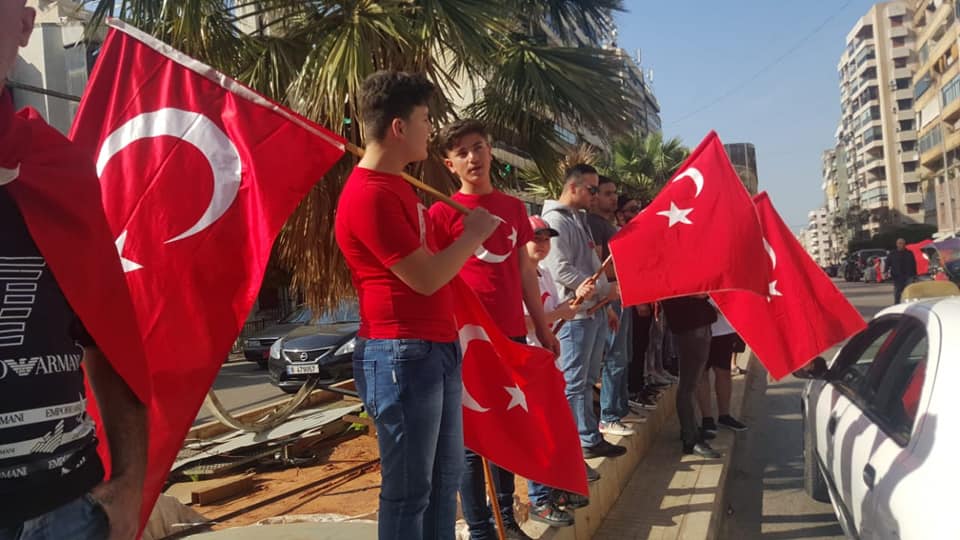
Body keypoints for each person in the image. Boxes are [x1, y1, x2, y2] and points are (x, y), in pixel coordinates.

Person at [1, 3, 149, 539]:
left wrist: (131, 482)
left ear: (23, 25)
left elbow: (108, 337)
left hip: (68, 513)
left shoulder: (58, 172)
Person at [334, 71, 500, 540]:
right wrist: (472, 237)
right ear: (399, 127)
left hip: (433, 347)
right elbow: (425, 278)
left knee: (444, 481)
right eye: (425, 119)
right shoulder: (369, 194)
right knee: (409, 493)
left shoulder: (397, 187)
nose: (430, 129)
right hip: (400, 353)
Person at [428, 119, 559, 540]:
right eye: (462, 152)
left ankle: (507, 517)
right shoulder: (441, 212)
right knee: (470, 440)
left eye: (479, 147)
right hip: (466, 342)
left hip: (509, 337)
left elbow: (524, 273)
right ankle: (481, 528)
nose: (473, 157)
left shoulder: (514, 208)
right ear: (449, 164)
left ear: (490, 151)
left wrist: (543, 329)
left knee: (509, 427)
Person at [541, 164, 626, 465]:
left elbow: (591, 262)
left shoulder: (577, 219)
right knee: (574, 382)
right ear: (573, 187)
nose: (595, 195)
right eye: (591, 189)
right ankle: (577, 442)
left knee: (588, 378)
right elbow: (560, 268)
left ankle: (587, 435)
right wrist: (601, 290)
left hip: (593, 312)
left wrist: (605, 302)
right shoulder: (555, 220)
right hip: (574, 315)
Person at [521, 216, 588, 528]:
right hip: (530, 362)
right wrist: (559, 314)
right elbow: (523, 322)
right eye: (536, 238)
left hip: (549, 360)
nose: (543, 244)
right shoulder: (518, 277)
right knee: (537, 432)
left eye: (547, 238)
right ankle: (539, 498)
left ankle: (555, 488)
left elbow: (554, 315)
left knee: (553, 428)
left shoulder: (544, 272)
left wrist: (573, 305)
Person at [587, 177, 638, 435]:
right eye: (607, 193)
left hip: (620, 294)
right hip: (610, 296)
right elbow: (597, 266)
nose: (613, 197)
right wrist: (619, 274)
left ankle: (619, 408)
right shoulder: (594, 225)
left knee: (623, 355)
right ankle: (608, 415)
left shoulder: (608, 225)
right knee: (613, 356)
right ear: (594, 197)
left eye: (614, 192)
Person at [661, 296, 722, 458]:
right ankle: (690, 439)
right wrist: (699, 293)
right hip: (690, 324)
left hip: (697, 322)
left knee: (691, 384)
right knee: (688, 385)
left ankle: (690, 429)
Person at [697, 307, 748, 436]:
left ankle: (724, 415)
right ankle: (707, 419)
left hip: (724, 329)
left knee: (724, 372)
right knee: (702, 374)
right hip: (699, 327)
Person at [887, 238, 918, 304]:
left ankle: (908, 304)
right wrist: (885, 271)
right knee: (897, 292)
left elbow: (914, 264)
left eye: (903, 243)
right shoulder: (892, 254)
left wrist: (915, 275)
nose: (901, 245)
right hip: (897, 276)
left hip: (909, 275)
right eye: (900, 243)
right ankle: (897, 304)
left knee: (909, 291)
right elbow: (887, 263)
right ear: (897, 244)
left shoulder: (909, 253)